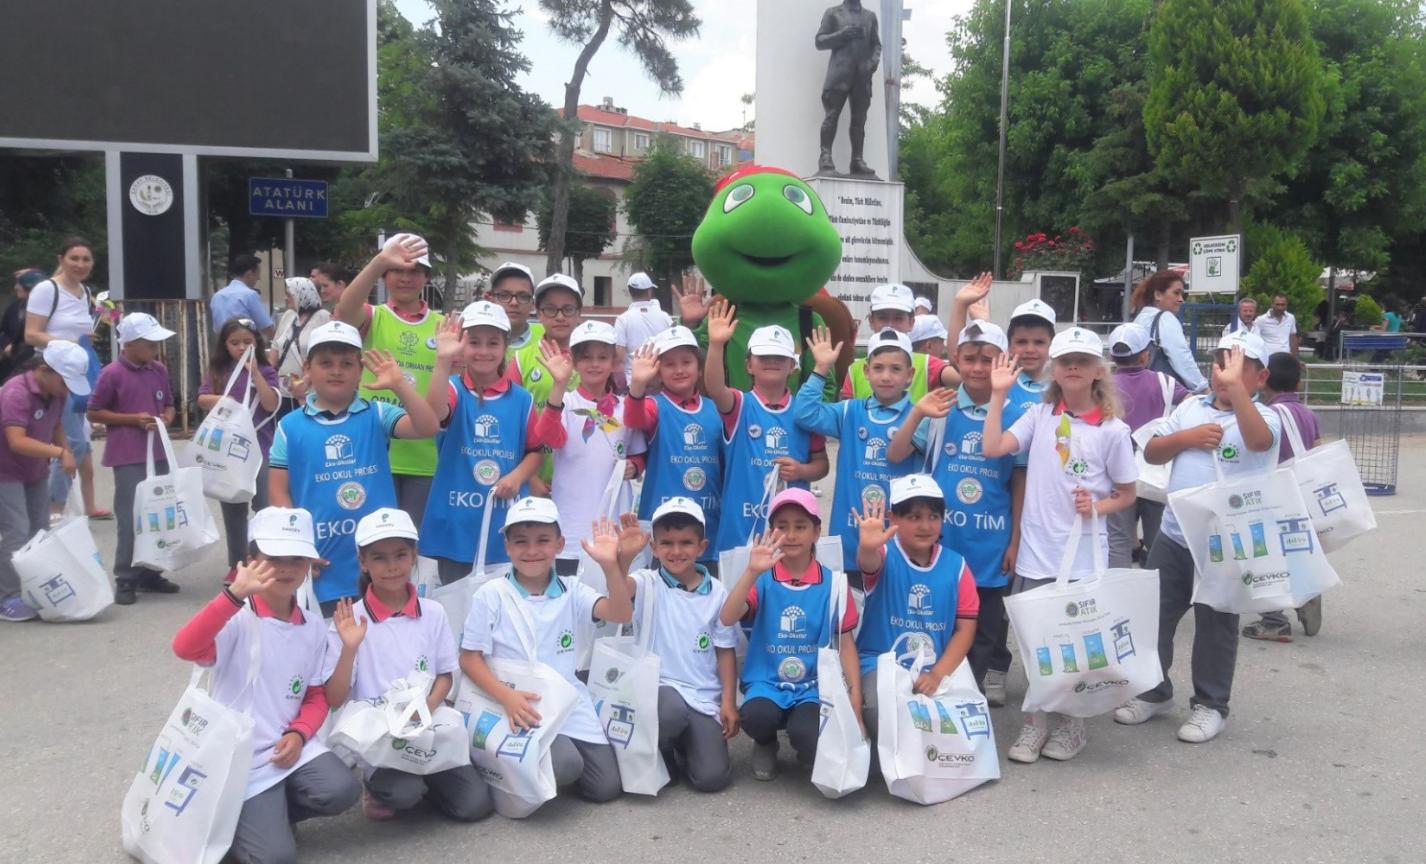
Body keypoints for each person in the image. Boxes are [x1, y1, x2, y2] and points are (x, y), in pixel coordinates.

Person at [1114, 330, 1280, 744]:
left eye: (1241, 368)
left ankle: (1211, 704)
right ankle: (1154, 691)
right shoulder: (1190, 407)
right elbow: (1152, 451)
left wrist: (1236, 393)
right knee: (1155, 616)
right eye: (1221, 363)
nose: (1226, 373)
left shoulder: (1267, 416)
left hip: (1227, 541)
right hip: (1174, 532)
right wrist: (1187, 438)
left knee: (1216, 622)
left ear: (1261, 378)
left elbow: (1260, 442)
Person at [980, 327, 1137, 763]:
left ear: (1097, 371)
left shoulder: (1113, 430)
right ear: (1054, 366)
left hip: (1083, 555)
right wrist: (998, 395)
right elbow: (992, 446)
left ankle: (1073, 725)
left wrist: (1097, 507)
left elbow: (1126, 494)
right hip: (1036, 550)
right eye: (1066, 359)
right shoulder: (1040, 415)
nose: (1072, 366)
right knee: (1035, 642)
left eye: (1082, 361)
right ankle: (1035, 723)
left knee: (1074, 643)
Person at [171, 507, 360, 863]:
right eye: (273, 558)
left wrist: (300, 733)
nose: (286, 569)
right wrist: (231, 596)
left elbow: (316, 695)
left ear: (309, 564)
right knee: (276, 857)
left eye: (296, 559)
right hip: (237, 758)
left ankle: (263, 817)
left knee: (342, 789)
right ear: (250, 561)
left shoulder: (312, 625)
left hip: (286, 747)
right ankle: (241, 825)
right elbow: (185, 647)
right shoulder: (237, 616)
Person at [458, 497, 633, 805]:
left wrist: (609, 566)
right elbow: (469, 658)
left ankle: (544, 757)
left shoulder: (572, 589)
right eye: (521, 542)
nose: (532, 551)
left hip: (566, 698)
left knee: (605, 788)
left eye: (543, 540)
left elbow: (620, 613)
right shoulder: (491, 595)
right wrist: (507, 697)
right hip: (516, 702)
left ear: (559, 544)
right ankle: (503, 765)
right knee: (566, 765)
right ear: (508, 547)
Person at [324, 508, 493, 822]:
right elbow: (334, 698)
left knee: (475, 806)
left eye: (400, 555)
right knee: (405, 794)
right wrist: (349, 649)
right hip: (382, 737)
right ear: (363, 562)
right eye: (379, 558)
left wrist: (425, 708)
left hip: (427, 724)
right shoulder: (350, 621)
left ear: (414, 556)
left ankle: (427, 783)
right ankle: (379, 784)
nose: (392, 567)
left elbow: (445, 675)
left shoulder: (433, 612)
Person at [888, 321, 1027, 687]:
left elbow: (1019, 480)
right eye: (969, 359)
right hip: (941, 538)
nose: (978, 368)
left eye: (988, 359)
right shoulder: (941, 406)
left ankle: (971, 691)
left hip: (991, 541)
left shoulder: (1017, 415)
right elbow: (896, 453)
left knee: (983, 627)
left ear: (1004, 361)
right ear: (956, 360)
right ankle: (929, 686)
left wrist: (1015, 540)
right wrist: (917, 412)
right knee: (938, 617)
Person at [267, 321, 438, 616]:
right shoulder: (289, 426)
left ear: (360, 371)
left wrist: (400, 384)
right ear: (308, 367)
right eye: (326, 363)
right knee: (334, 648)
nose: (336, 371)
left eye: (347, 363)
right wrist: (298, 546)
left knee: (385, 644)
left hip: (381, 564)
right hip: (323, 561)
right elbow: (278, 490)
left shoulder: (377, 413)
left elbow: (427, 426)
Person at [948, 288, 1059, 704]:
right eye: (1021, 341)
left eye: (1039, 341)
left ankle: (1031, 679)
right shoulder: (978, 386)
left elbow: (1023, 473)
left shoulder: (1050, 392)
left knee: (1009, 599)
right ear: (1009, 347)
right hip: (979, 518)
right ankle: (990, 668)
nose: (1029, 349)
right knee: (974, 602)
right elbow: (959, 353)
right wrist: (962, 308)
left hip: (1031, 513)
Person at [718, 488, 860, 780]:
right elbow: (728, 616)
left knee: (808, 734)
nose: (792, 535)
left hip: (812, 684)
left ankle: (804, 743)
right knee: (757, 716)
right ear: (771, 532)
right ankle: (765, 741)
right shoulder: (763, 579)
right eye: (782, 527)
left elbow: (846, 644)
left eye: (801, 526)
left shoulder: (833, 584)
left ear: (816, 532)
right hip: (767, 681)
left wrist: (855, 698)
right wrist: (750, 572)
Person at [615, 498, 740, 792]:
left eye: (686, 542)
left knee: (712, 779)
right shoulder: (646, 581)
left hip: (701, 697)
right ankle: (663, 748)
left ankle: (686, 744)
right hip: (659, 690)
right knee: (669, 712)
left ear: (702, 546)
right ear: (654, 548)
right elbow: (619, 592)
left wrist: (728, 702)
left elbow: (725, 650)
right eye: (666, 543)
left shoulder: (718, 592)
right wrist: (623, 559)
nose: (676, 551)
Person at [420, 304, 544, 585]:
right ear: (461, 344)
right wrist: (442, 362)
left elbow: (535, 452)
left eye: (493, 343)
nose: (483, 351)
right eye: (473, 342)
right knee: (457, 602)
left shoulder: (522, 399)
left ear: (505, 346)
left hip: (506, 522)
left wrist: (517, 476)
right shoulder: (452, 388)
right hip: (457, 523)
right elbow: (435, 414)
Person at [853, 475, 978, 737]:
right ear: (893, 518)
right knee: (883, 711)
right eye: (913, 517)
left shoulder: (957, 566)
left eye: (933, 516)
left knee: (965, 721)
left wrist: (938, 675)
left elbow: (965, 629)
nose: (925, 525)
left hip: (935, 667)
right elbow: (868, 562)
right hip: (881, 664)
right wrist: (866, 546)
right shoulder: (885, 554)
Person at [704, 303, 830, 558]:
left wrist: (802, 470)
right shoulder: (740, 405)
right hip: (740, 531)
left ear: (792, 365)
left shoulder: (805, 413)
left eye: (780, 357)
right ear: (749, 365)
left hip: (789, 535)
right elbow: (715, 388)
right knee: (739, 598)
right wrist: (716, 345)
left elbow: (822, 465)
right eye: (763, 356)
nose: (772, 361)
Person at [334, 234, 444, 525]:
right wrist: (379, 260)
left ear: (426, 277)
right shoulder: (374, 316)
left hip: (424, 456)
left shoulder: (442, 326)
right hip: (373, 452)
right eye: (397, 270)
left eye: (415, 271)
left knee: (410, 549)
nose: (406, 278)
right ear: (384, 275)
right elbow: (344, 311)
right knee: (371, 545)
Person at [795, 326, 917, 586]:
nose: (886, 376)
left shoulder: (919, 416)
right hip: (848, 540)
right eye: (878, 367)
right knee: (848, 620)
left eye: (896, 369)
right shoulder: (850, 411)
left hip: (898, 543)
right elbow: (804, 413)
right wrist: (820, 369)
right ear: (866, 371)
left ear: (910, 375)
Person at [533, 320, 646, 576]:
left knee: (615, 601)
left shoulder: (625, 406)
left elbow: (638, 451)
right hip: (572, 526)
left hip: (615, 522)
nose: (594, 364)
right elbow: (548, 437)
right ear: (573, 361)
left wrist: (635, 465)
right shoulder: (564, 402)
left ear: (614, 362)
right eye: (586, 358)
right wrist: (558, 385)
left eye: (603, 357)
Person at [87, 313, 178, 606]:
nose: (155, 349)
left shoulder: (158, 369)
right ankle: (125, 576)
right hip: (127, 455)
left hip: (158, 451)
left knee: (158, 515)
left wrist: (165, 418)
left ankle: (149, 572)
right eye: (150, 344)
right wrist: (131, 419)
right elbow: (94, 412)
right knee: (130, 518)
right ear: (131, 344)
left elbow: (169, 404)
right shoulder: (112, 373)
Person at [0, 341, 88, 622]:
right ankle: (7, 595)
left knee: (39, 530)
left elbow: (56, 425)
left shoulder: (55, 392)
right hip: (5, 471)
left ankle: (31, 586)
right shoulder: (16, 392)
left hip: (34, 469)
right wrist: (59, 452)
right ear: (43, 370)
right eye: (64, 381)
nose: (67, 389)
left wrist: (66, 452)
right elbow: (16, 441)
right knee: (16, 529)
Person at [624, 326, 724, 568]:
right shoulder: (654, 405)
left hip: (708, 523)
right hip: (664, 525)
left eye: (686, 362)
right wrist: (637, 384)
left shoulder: (717, 409)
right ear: (658, 371)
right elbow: (634, 418)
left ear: (699, 367)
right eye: (669, 364)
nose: (679, 370)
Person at [24, 237, 107, 520]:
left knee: (77, 439)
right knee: (72, 441)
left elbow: (74, 329)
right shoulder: (46, 290)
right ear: (61, 259)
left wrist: (83, 339)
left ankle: (62, 504)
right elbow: (31, 334)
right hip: (53, 373)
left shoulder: (84, 291)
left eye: (86, 259)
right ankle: (53, 506)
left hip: (78, 372)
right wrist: (67, 343)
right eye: (74, 258)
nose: (80, 265)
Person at [1242, 353, 1323, 642]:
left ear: (1264, 380)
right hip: (1302, 492)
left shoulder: (1267, 415)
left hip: (1275, 494)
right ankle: (1308, 591)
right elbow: (1315, 449)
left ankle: (1274, 620)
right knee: (1296, 550)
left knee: (1268, 558)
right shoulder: (1309, 413)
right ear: (1298, 382)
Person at [200, 317, 281, 580]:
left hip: (261, 448)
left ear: (257, 342)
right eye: (235, 342)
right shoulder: (219, 370)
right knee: (233, 506)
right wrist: (225, 400)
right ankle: (237, 564)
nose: (241, 347)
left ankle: (267, 557)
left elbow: (271, 405)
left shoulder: (266, 371)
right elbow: (201, 398)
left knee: (265, 506)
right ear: (225, 344)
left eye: (247, 341)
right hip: (228, 450)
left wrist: (256, 373)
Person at [1105, 322, 1189, 568]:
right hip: (1154, 472)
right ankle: (1157, 593)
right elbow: (1193, 403)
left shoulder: (1102, 387)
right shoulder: (1165, 382)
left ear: (1112, 355)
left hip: (1116, 474)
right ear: (1145, 354)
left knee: (1118, 540)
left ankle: (1117, 592)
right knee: (1158, 538)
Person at [505, 273, 585, 491]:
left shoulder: (594, 359)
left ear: (579, 313)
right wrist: (530, 478)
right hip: (536, 479)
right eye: (550, 309)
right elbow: (511, 424)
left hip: (583, 476)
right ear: (539, 313)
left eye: (568, 309)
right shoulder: (521, 360)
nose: (560, 317)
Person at [842, 281, 966, 402]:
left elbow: (965, 376)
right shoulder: (854, 371)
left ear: (911, 322)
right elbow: (846, 416)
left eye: (898, 318)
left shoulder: (927, 365)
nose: (890, 325)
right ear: (871, 321)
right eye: (882, 317)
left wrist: (961, 307)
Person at [814, 0, 881, 176]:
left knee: (859, 120)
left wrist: (872, 63)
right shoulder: (833, 13)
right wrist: (841, 35)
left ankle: (857, 160)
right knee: (831, 115)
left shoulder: (870, 16)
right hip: (839, 74)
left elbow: (876, 44)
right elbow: (820, 41)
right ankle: (825, 156)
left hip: (862, 76)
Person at [1131, 271, 1208, 392]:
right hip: (1165, 396)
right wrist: (1203, 388)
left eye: (1182, 294)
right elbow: (1181, 358)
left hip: (1139, 391)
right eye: (1176, 293)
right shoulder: (1165, 318)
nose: (1181, 299)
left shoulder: (1139, 319)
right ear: (1158, 295)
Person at [270, 277, 332, 417]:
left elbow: (326, 354)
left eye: (289, 294)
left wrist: (307, 380)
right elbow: (275, 347)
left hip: (310, 391)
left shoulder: (323, 317)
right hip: (283, 390)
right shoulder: (288, 316)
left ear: (303, 294)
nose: (286, 298)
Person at [613, 272, 673, 387]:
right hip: (661, 378)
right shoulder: (665, 317)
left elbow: (619, 357)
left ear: (630, 292)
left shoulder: (622, 319)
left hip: (634, 379)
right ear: (649, 291)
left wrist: (620, 386)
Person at [484, 262, 542, 359]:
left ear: (533, 304)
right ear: (491, 300)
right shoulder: (470, 339)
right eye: (504, 295)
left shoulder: (549, 337)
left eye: (523, 296)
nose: (514, 303)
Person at [210, 254, 275, 338]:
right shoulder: (250, 295)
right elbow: (267, 328)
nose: (258, 278)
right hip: (244, 345)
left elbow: (216, 328)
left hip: (223, 345)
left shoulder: (217, 296)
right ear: (249, 274)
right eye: (257, 275)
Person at [0, 269, 44, 380]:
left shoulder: (45, 311)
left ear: (29, 287)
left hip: (32, 363)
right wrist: (7, 345)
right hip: (10, 362)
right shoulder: (14, 308)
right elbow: (3, 331)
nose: (16, 288)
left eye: (19, 284)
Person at [1256, 293, 1299, 358]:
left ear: (1286, 305)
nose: (1280, 307)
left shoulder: (1291, 318)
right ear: (1272, 304)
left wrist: (1296, 358)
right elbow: (1255, 340)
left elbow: (1292, 339)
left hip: (1285, 357)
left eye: (1283, 305)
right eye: (1277, 304)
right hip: (1268, 359)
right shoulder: (1261, 320)